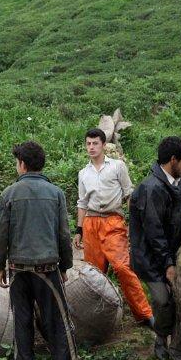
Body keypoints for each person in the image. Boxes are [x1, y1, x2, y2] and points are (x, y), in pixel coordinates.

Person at [0, 141, 100, 360]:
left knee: (23, 322)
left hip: (18, 269)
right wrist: (65, 265)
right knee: (58, 323)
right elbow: (63, 235)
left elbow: (1, 234)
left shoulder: (9, 194)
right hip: (47, 269)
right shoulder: (56, 194)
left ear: (22, 164)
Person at [129, 137, 181, 360]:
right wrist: (168, 265)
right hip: (151, 258)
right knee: (164, 301)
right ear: (173, 160)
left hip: (170, 254)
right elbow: (154, 233)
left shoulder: (177, 185)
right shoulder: (152, 189)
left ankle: (179, 349)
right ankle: (161, 339)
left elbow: (178, 219)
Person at [74, 128, 154, 328]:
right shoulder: (83, 173)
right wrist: (79, 230)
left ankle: (145, 314)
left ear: (103, 145)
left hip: (113, 221)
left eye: (95, 143)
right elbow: (82, 203)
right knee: (94, 273)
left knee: (122, 267)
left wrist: (135, 222)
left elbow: (129, 195)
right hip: (91, 223)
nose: (91, 147)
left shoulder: (117, 166)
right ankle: (100, 320)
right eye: (88, 144)